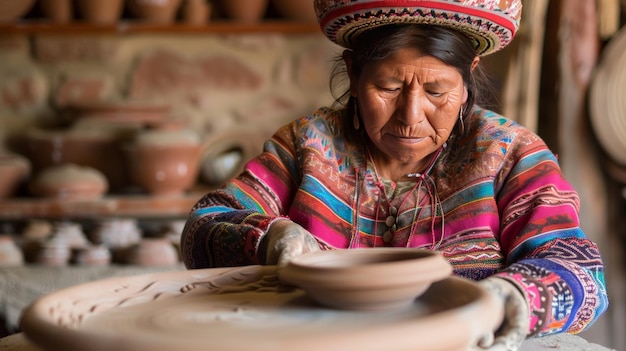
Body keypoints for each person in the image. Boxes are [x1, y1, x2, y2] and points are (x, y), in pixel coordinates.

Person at [181, 0, 609, 349]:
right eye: (387, 88)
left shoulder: (509, 154)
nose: (410, 116)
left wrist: (514, 296)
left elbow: (580, 271)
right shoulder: (307, 145)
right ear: (352, 73)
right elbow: (203, 228)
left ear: (469, 77)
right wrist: (270, 237)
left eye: (437, 91)